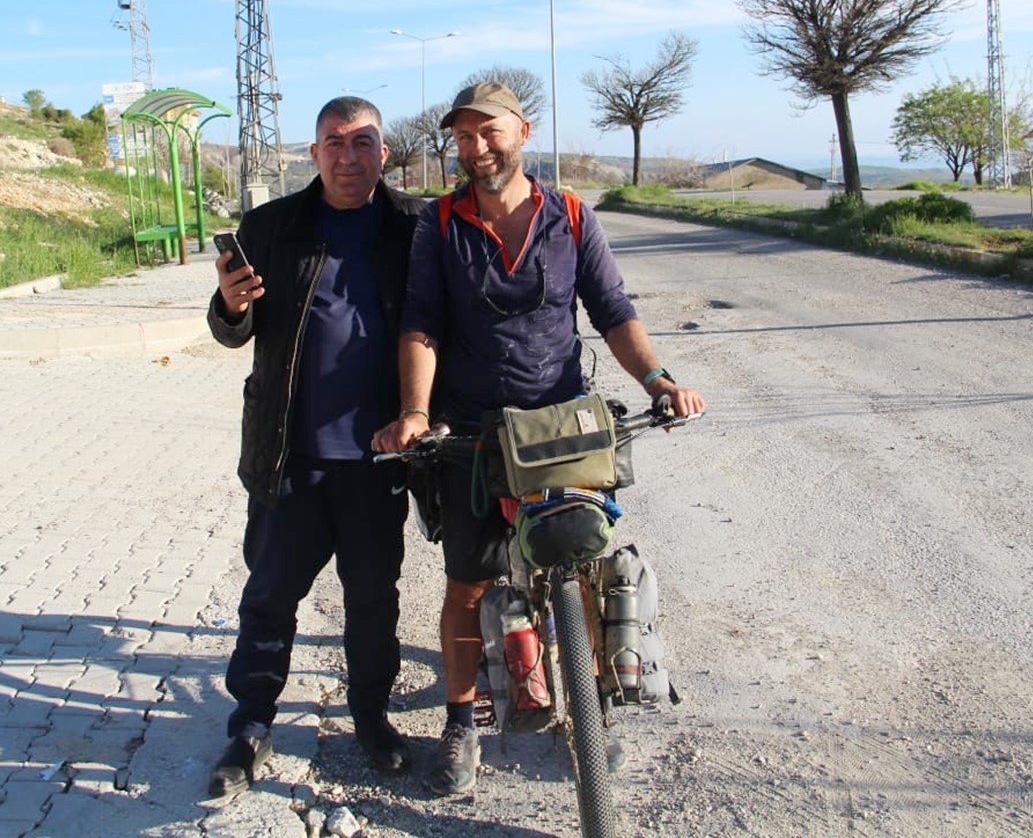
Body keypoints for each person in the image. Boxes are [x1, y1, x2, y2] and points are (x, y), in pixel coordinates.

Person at [373, 81, 705, 796]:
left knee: (579, 571)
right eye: (463, 137)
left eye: (489, 132)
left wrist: (660, 381)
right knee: (469, 586)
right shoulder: (441, 222)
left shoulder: (572, 215)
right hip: (472, 436)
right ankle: (461, 725)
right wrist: (416, 413)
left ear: (522, 130)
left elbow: (614, 310)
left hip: (559, 429)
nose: (477, 148)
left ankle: (590, 717)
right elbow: (422, 321)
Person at [206, 96, 427, 801]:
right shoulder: (273, 227)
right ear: (314, 154)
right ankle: (250, 726)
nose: (349, 156)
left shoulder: (413, 229)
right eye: (335, 142)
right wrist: (231, 306)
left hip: (378, 460)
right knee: (269, 597)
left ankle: (370, 718)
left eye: (364, 142)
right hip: (289, 457)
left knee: (372, 601)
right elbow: (233, 332)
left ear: (383, 153)